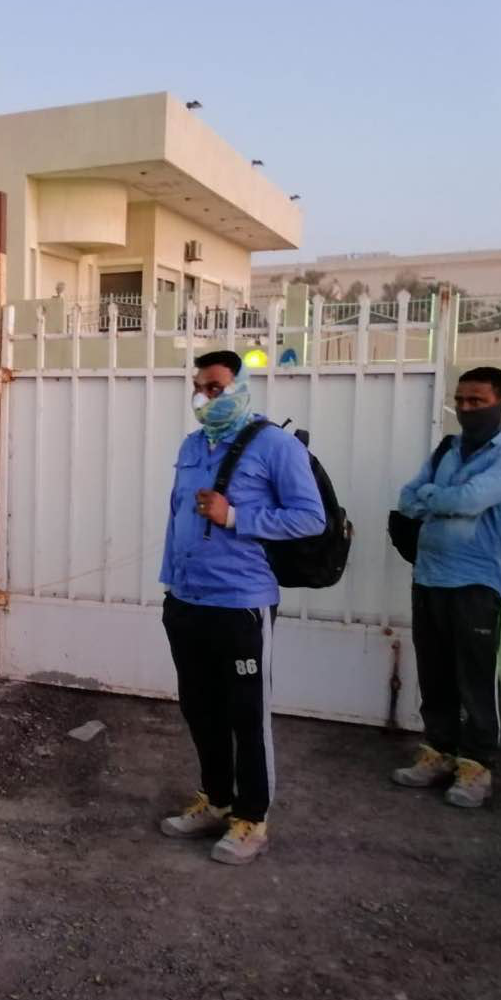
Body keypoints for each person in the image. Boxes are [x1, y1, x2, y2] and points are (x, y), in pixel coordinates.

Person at [157, 350, 325, 865]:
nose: (202, 397)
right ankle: (218, 800)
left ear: (241, 387)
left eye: (214, 388)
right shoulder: (192, 445)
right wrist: (172, 585)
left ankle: (252, 818)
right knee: (200, 708)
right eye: (198, 387)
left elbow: (310, 518)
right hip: (187, 599)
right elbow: (177, 517)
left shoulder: (275, 445)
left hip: (241, 604)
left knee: (246, 716)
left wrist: (236, 516)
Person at [392, 366, 501, 807]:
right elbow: (407, 497)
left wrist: (434, 497)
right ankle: (440, 751)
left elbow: (469, 499)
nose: (466, 408)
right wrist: (441, 498)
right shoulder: (447, 449)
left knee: (475, 675)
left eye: (477, 401)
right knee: (435, 671)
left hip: (476, 581)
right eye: (461, 400)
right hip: (429, 576)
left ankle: (477, 764)